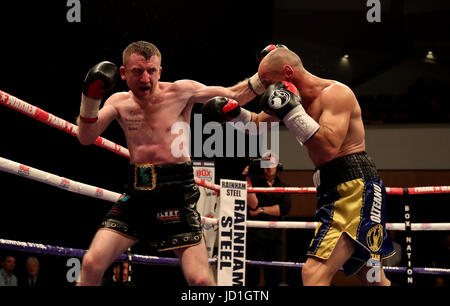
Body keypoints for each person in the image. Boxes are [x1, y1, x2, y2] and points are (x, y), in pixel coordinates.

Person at [203, 46, 395, 286]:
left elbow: (328, 147)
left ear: (287, 72)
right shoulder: (288, 97)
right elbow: (257, 125)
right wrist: (234, 113)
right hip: (334, 187)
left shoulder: (336, 94)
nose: (262, 87)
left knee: (314, 274)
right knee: (371, 277)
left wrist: (292, 111)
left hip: (354, 187)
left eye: (266, 81)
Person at [76, 41, 257, 286]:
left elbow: (234, 95)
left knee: (201, 280)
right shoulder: (119, 102)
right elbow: (86, 137)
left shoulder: (181, 91)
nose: (145, 78)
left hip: (177, 194)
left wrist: (263, 77)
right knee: (91, 264)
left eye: (151, 71)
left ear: (160, 71)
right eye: (137, 71)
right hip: (137, 194)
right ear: (122, 73)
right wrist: (91, 98)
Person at [243, 155, 291, 286]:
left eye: (272, 164)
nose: (270, 167)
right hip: (255, 237)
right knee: (252, 277)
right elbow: (253, 206)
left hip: (275, 237)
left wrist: (261, 210)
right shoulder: (254, 183)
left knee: (274, 277)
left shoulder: (284, 186)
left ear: (278, 166)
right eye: (266, 164)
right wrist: (246, 177)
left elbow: (284, 209)